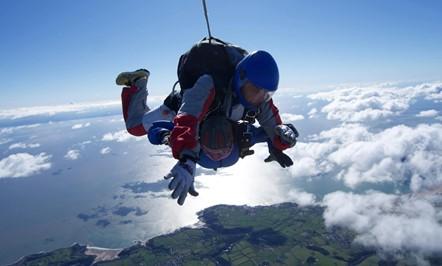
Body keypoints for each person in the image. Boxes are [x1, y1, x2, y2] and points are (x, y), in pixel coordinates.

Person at [116, 38, 298, 205]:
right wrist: (187, 158)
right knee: (135, 127)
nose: (258, 97)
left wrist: (281, 140)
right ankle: (138, 82)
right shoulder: (208, 82)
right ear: (242, 78)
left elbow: (274, 127)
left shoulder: (259, 96)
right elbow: (188, 117)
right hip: (182, 107)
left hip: (220, 114)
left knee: (246, 108)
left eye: (266, 94)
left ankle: (138, 86)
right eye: (254, 90)